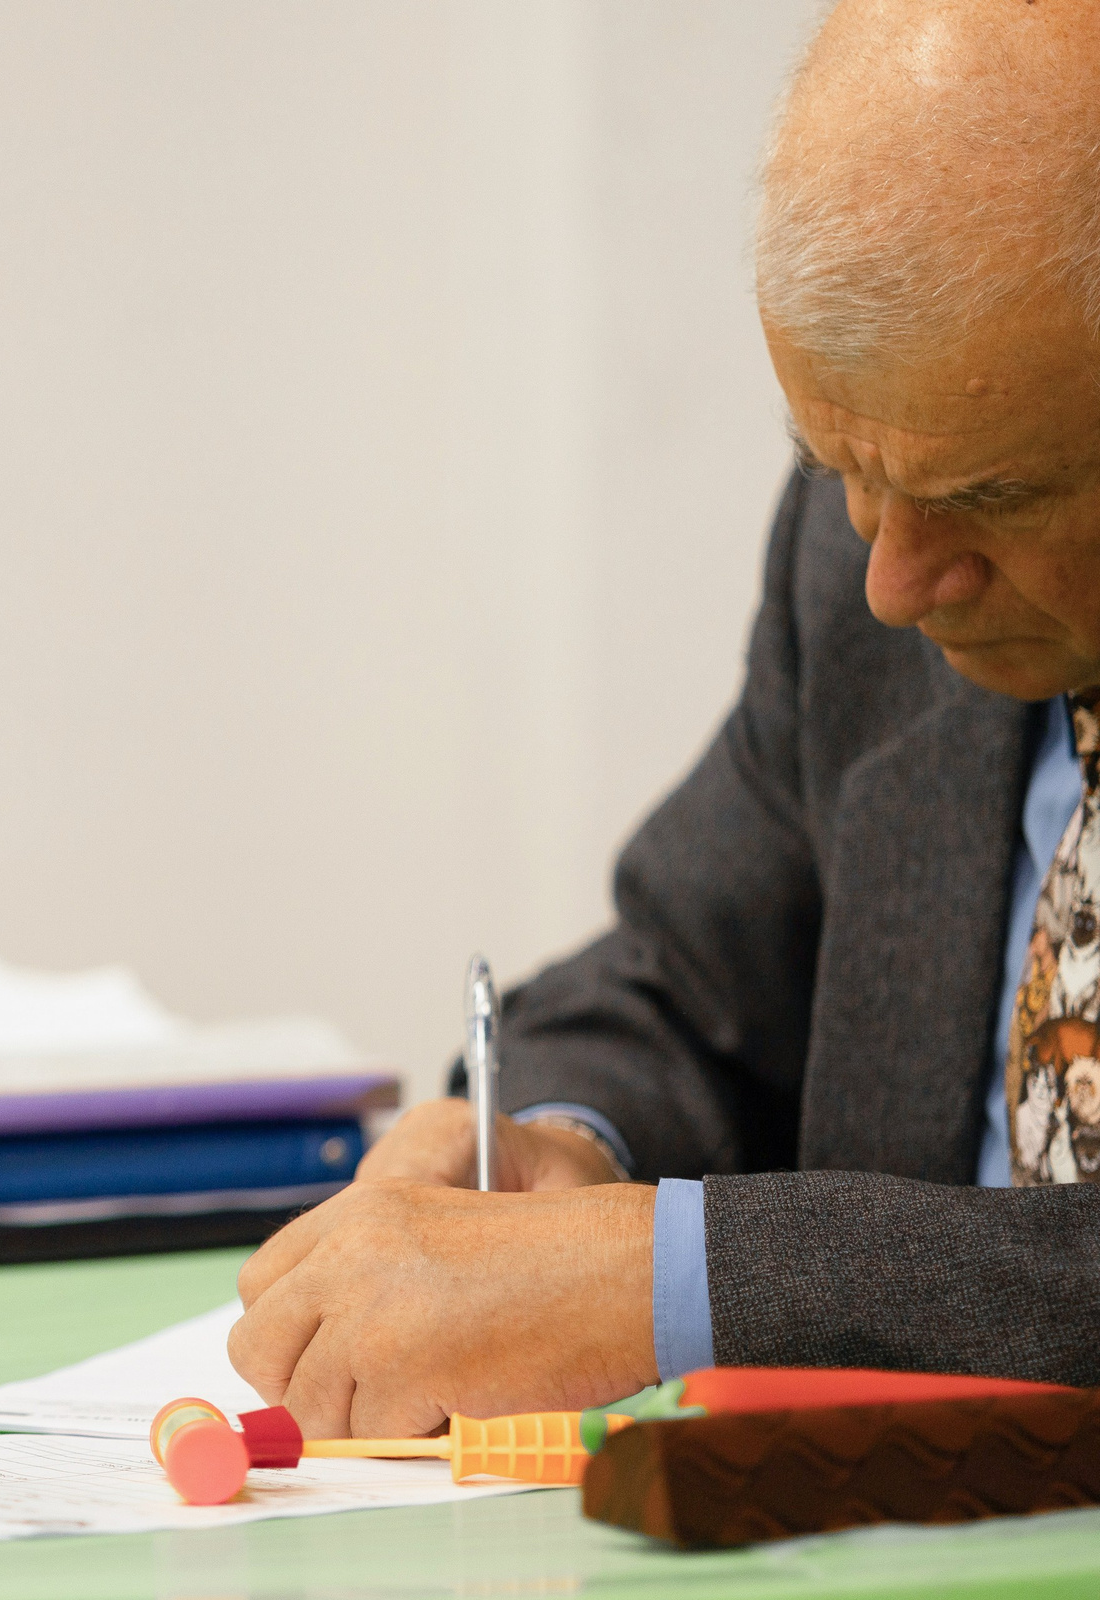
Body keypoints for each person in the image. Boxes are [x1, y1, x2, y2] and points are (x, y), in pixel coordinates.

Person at [230, 0, 1100, 1436]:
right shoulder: (865, 541)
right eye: (834, 465)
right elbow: (685, 985)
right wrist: (563, 1143)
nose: (893, 580)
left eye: (983, 499)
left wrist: (661, 1277)